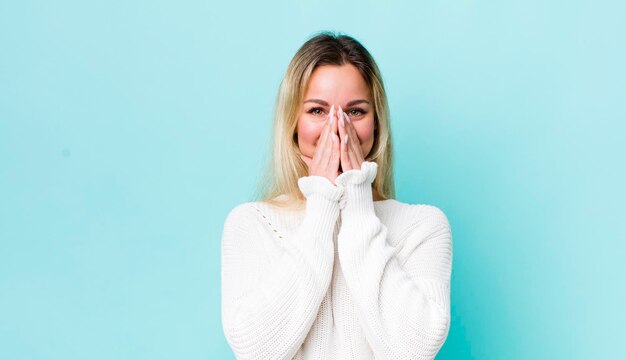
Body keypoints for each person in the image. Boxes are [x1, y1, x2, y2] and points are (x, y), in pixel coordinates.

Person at [221, 31, 453, 360]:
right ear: (293, 124)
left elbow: (413, 351)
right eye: (317, 111)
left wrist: (358, 207)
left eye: (355, 112)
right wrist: (322, 207)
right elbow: (255, 350)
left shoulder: (423, 225)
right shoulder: (252, 224)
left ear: (376, 125)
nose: (337, 128)